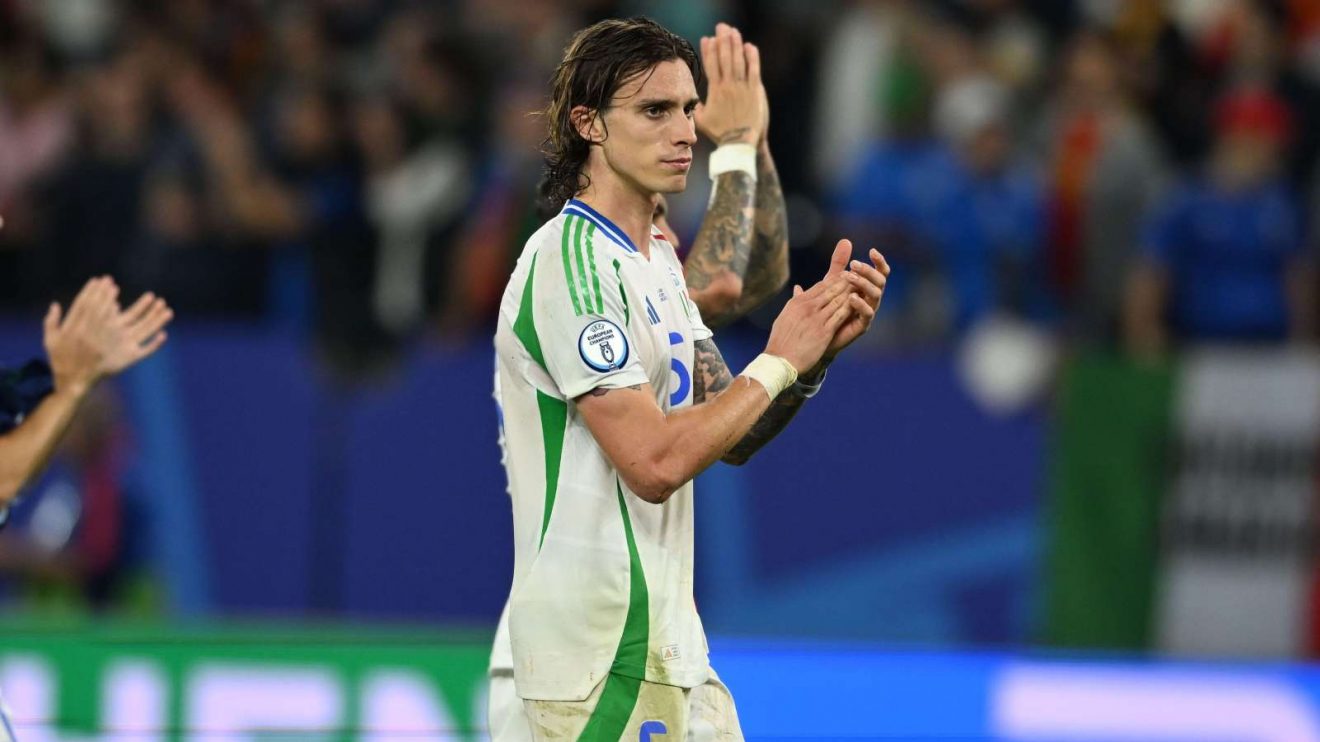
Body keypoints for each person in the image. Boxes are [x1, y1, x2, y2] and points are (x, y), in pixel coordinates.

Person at [491, 17, 888, 740]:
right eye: (654, 111)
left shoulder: (655, 262)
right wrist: (740, 152)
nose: (683, 131)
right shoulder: (572, 265)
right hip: (597, 656)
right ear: (589, 125)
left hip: (666, 649)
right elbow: (653, 460)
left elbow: (728, 431)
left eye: (688, 110)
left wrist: (809, 362)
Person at [0, 272, 172, 741]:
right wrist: (72, 384)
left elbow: (12, 402)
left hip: (108, 638)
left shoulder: (110, 481)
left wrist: (68, 378)